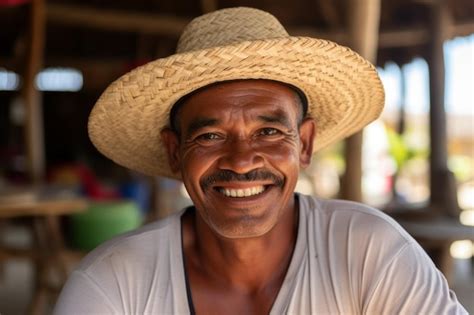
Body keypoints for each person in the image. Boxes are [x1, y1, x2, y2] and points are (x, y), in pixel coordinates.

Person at [54, 7, 467, 315]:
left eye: (269, 132)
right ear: (175, 151)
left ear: (304, 144)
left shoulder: (370, 253)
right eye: (210, 135)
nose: (241, 160)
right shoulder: (114, 285)